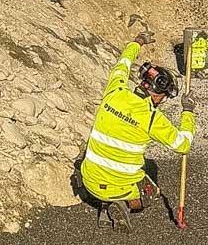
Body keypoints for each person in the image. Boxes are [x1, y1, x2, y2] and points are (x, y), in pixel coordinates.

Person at [78, 31, 196, 230]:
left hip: (90, 180)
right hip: (119, 187)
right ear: (159, 95)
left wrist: (138, 42)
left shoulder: (114, 91)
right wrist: (188, 111)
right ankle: (120, 203)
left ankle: (104, 202)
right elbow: (183, 145)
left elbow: (123, 63)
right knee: (151, 193)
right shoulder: (151, 118)